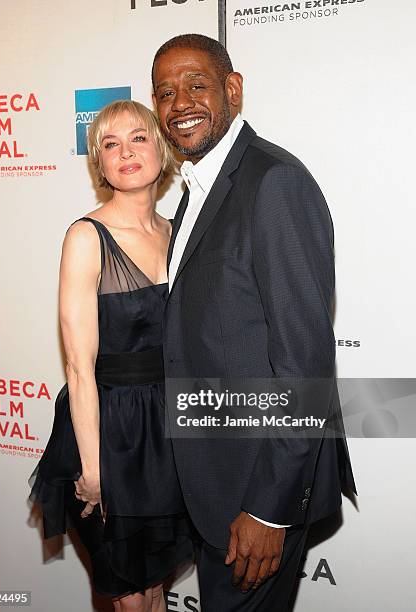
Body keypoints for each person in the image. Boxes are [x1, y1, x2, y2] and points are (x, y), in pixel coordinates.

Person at [151, 34, 357, 611]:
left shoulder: (273, 183)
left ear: (233, 90)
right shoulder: (198, 188)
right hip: (211, 480)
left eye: (197, 85)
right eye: (166, 93)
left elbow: (306, 362)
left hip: (256, 493)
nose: (180, 103)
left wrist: (269, 508)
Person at [28, 100, 195, 611]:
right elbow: (79, 367)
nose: (126, 152)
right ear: (98, 163)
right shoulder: (86, 237)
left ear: (161, 149)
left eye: (138, 138)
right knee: (127, 597)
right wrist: (95, 467)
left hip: (169, 432)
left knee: (154, 589)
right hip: (110, 432)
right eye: (109, 143)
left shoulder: (179, 233)